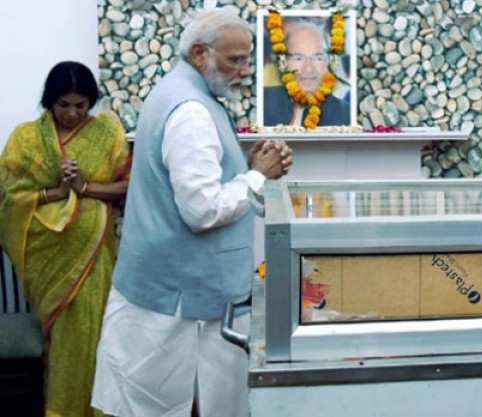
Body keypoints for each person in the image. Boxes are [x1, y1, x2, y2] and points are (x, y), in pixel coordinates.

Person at [91, 9, 292, 417]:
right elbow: (201, 210)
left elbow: (198, 179)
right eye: (236, 60)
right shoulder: (191, 112)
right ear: (200, 53)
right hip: (179, 302)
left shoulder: (181, 92)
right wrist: (257, 176)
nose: (245, 71)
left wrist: (245, 166)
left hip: (172, 293)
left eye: (247, 60)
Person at [0, 61, 130, 417]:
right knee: (63, 338)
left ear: (91, 102)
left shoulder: (107, 133)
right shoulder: (27, 139)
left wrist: (83, 187)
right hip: (48, 260)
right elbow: (9, 198)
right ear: (49, 101)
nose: (72, 113)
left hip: (93, 256)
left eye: (80, 105)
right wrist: (56, 191)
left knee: (93, 332)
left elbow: (127, 185)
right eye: (63, 105)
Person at [262, 19, 351, 126]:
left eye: (318, 58)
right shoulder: (263, 101)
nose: (308, 68)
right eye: (298, 58)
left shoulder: (347, 117)